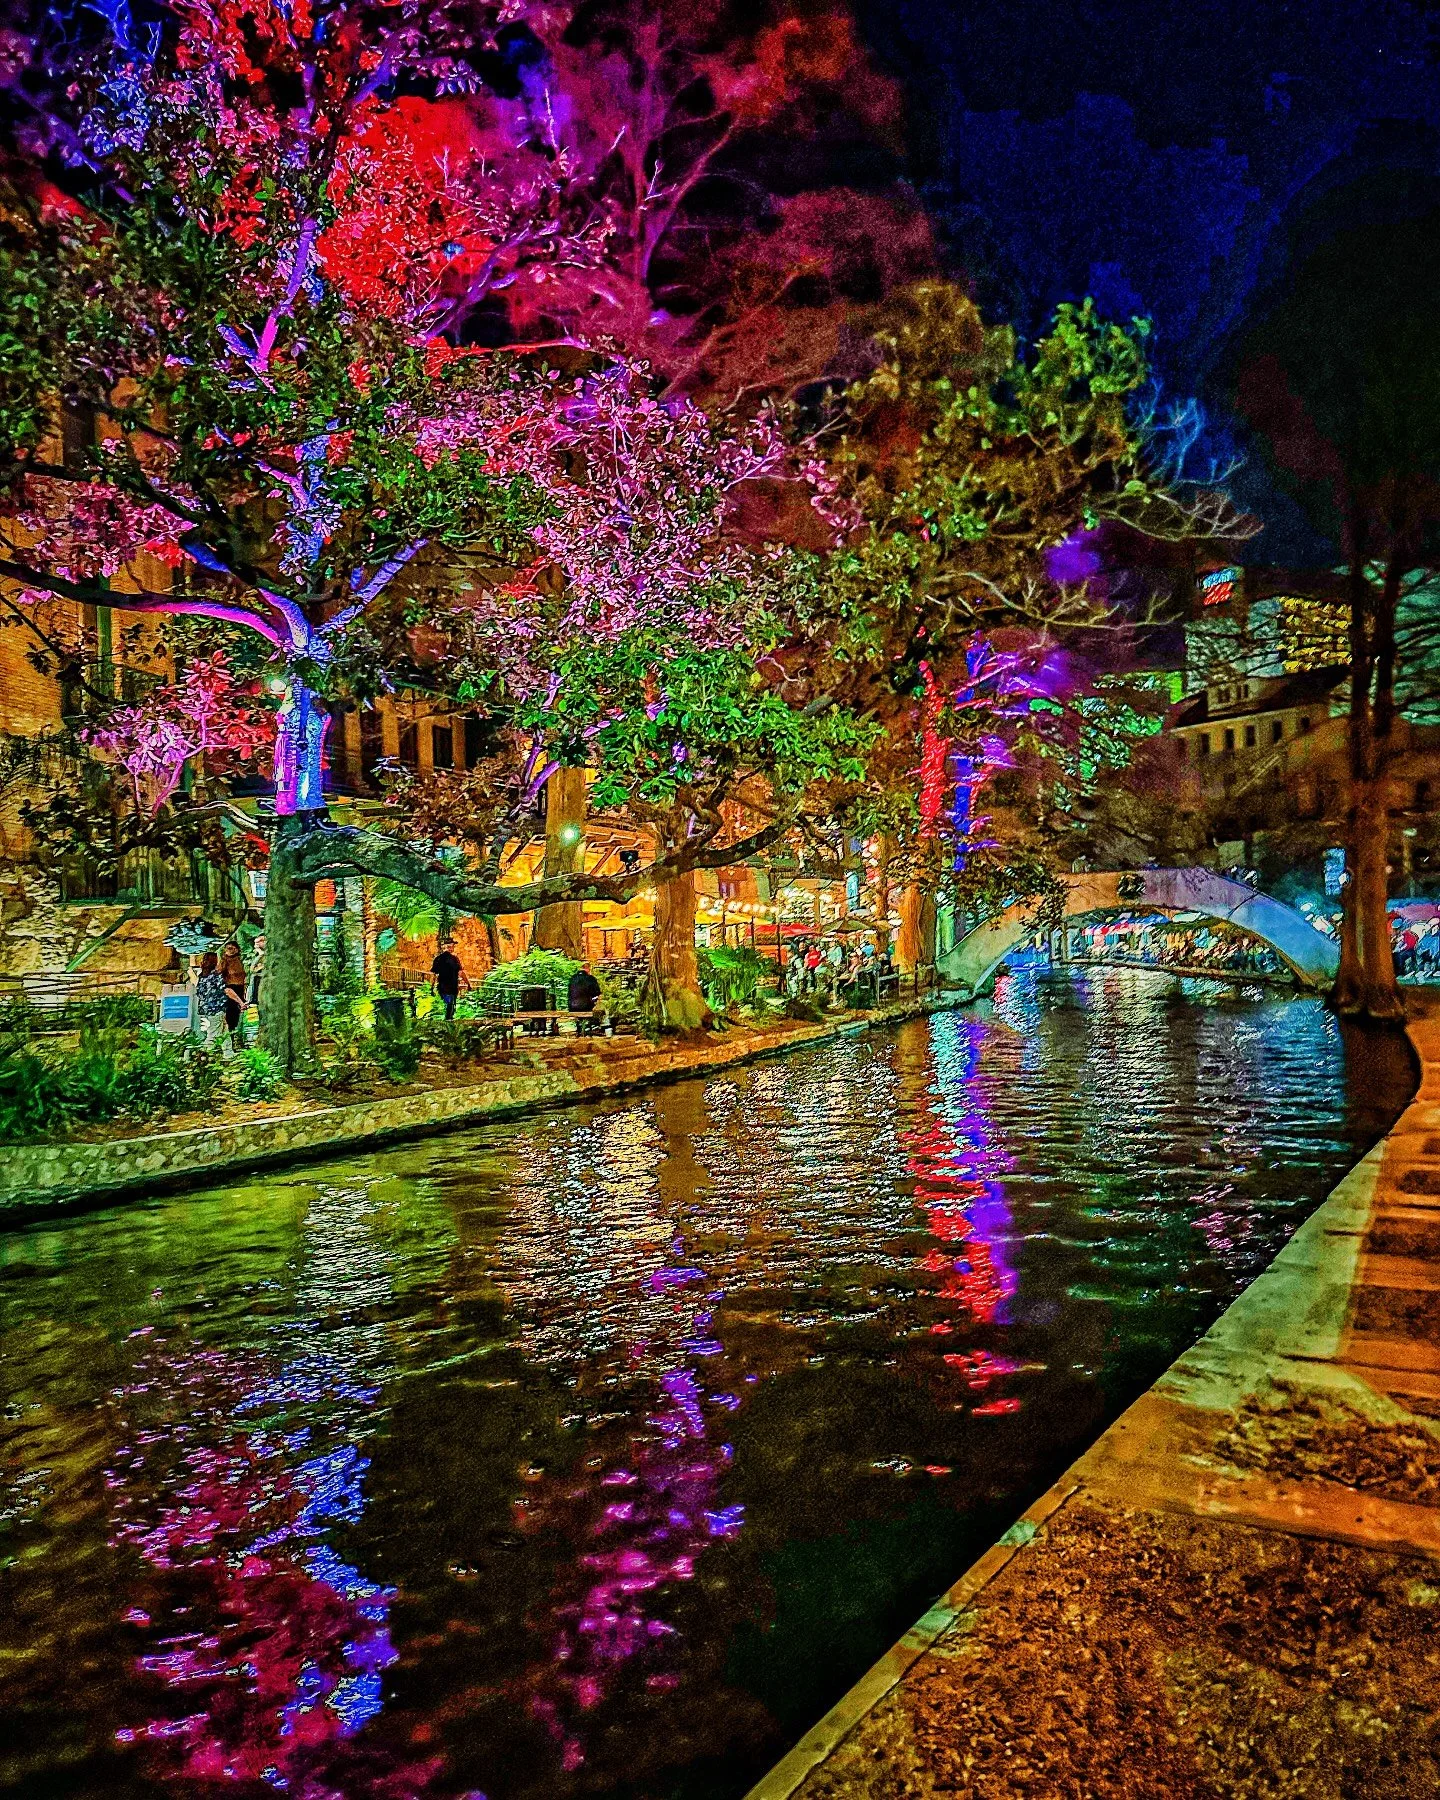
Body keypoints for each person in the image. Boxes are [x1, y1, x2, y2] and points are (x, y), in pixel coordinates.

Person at [195, 951, 229, 1051]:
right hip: (217, 1009)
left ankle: (228, 1053)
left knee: (224, 1031)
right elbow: (225, 990)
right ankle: (204, 1054)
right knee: (213, 1035)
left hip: (206, 1009)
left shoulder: (202, 977)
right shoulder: (216, 977)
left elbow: (200, 993)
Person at [220, 943, 247, 1050]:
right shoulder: (224, 961)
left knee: (238, 1017)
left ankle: (238, 1040)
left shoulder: (239, 960)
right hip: (230, 990)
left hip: (240, 989)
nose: (229, 950)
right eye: (227, 948)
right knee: (231, 1018)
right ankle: (230, 1042)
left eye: (232, 948)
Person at [430, 942, 465, 1020]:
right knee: (451, 1004)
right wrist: (468, 983)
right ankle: (448, 1020)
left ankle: (448, 1020)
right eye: (450, 947)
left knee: (449, 1004)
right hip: (452, 986)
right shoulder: (454, 959)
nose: (451, 948)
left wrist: (431, 987)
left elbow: (434, 975)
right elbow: (461, 973)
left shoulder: (438, 959)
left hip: (443, 986)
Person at [567, 961, 603, 1033]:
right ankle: (590, 1026)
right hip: (585, 1006)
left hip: (572, 1006)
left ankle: (580, 1026)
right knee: (595, 1001)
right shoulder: (590, 978)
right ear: (588, 968)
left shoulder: (572, 978)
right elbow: (597, 992)